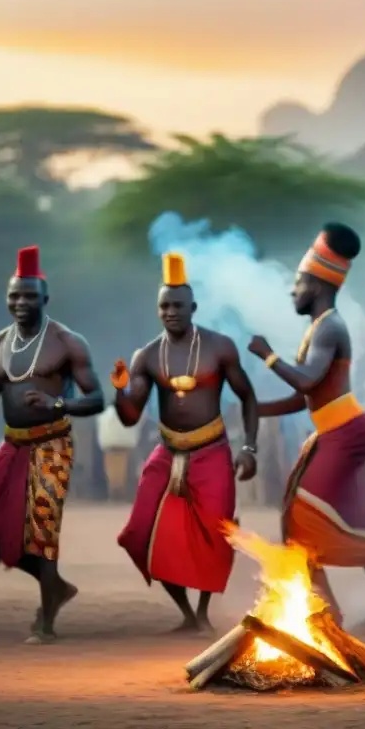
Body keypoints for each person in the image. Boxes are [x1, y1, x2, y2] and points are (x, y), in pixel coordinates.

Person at [248, 223, 365, 629]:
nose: (291, 291)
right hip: (342, 429)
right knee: (357, 514)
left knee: (298, 518)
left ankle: (327, 612)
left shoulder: (330, 326)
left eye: (297, 284)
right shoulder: (322, 327)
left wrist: (266, 356)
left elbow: (308, 380)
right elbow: (307, 398)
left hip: (346, 431)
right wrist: (257, 409)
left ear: (315, 285)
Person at [0, 246, 105, 643]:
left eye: (28, 295)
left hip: (53, 443)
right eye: (14, 296)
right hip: (11, 444)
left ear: (45, 298)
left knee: (41, 529)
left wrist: (56, 402)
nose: (20, 302)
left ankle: (47, 619)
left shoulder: (67, 342)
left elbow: (96, 399)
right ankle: (56, 585)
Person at [114, 252, 259, 634]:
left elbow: (247, 397)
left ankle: (204, 611)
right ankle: (186, 613)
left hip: (212, 450)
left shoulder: (219, 347)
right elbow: (130, 415)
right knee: (141, 531)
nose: (171, 312)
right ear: (157, 310)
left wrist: (249, 448)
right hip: (169, 451)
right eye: (164, 306)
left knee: (216, 532)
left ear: (193, 307)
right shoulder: (147, 356)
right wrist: (119, 391)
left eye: (178, 305)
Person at [97, 404, 142, 500]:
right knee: (121, 475)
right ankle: (119, 495)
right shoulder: (128, 412)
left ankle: (115, 494)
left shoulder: (105, 414)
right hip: (124, 446)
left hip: (110, 446)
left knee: (113, 475)